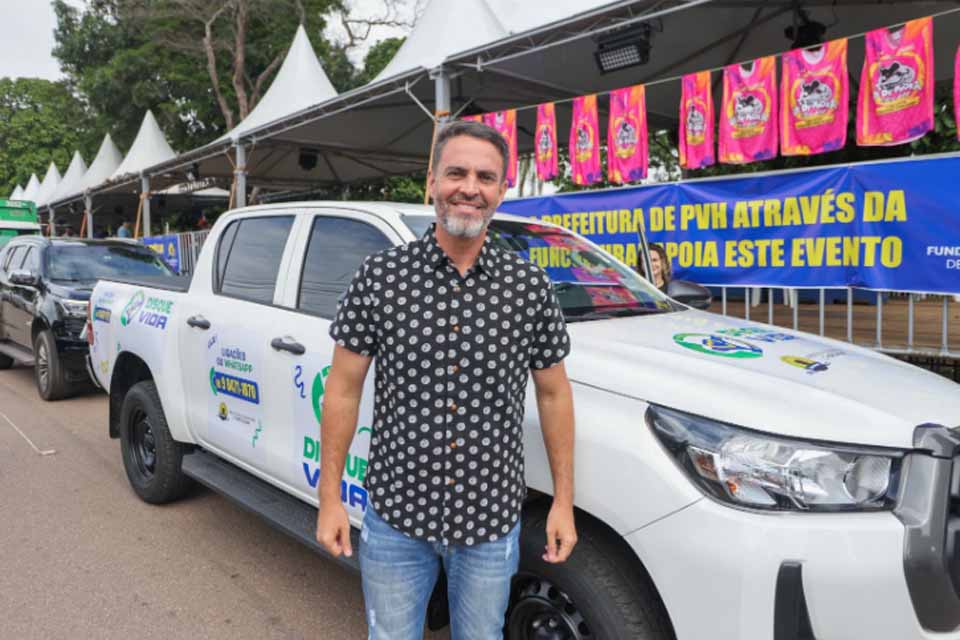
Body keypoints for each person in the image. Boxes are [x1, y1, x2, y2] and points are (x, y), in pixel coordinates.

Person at [316, 120, 577, 640]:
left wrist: (564, 502)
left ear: (503, 191)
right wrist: (330, 498)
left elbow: (553, 394)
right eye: (456, 172)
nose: (470, 188)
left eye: (485, 176)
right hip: (396, 517)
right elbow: (342, 388)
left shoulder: (528, 286)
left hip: (490, 521)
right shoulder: (381, 276)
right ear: (431, 181)